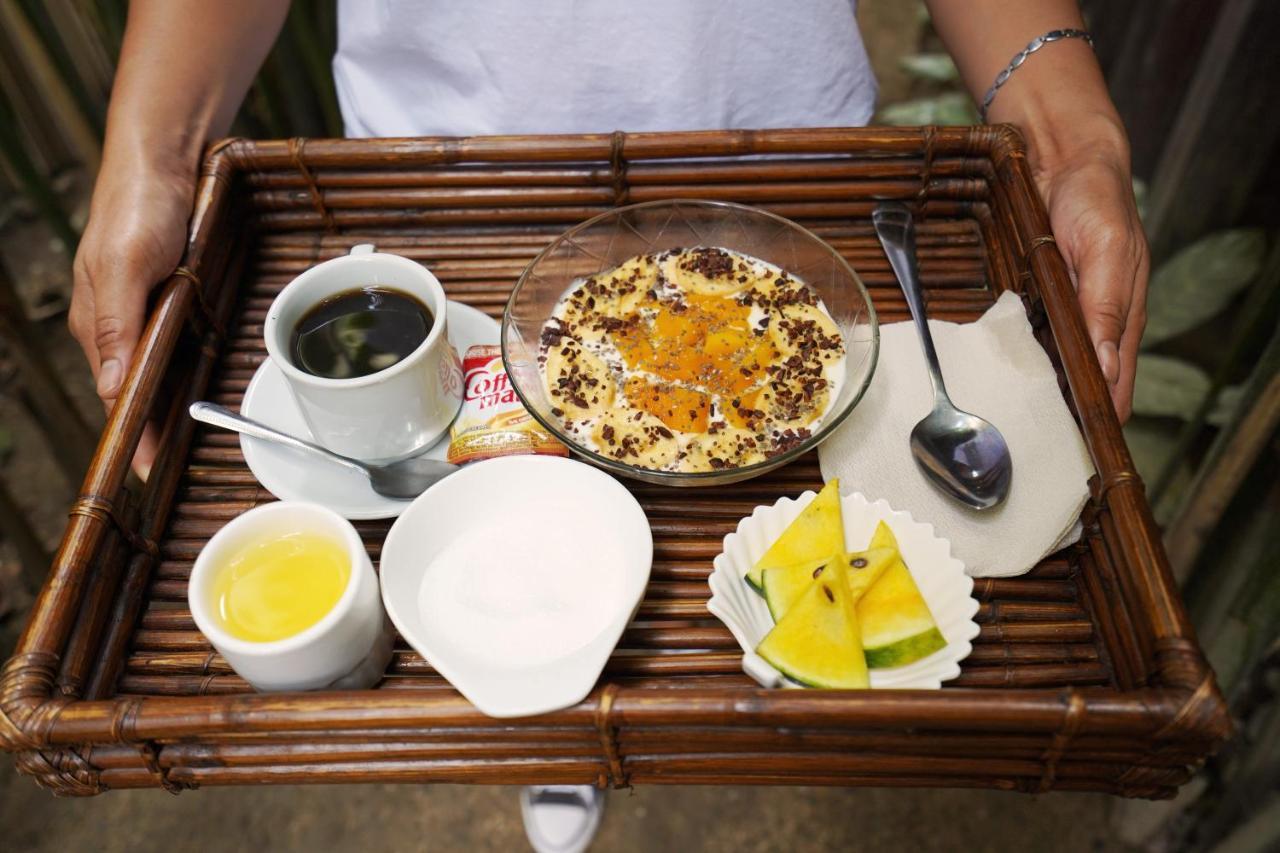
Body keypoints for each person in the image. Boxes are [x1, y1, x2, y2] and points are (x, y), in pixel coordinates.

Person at [70, 2, 1147, 850]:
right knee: (521, 544)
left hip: (797, 163)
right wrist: (154, 157)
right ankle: (553, 724)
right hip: (444, 179)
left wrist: (1068, 129)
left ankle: (765, 683)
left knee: (763, 550)